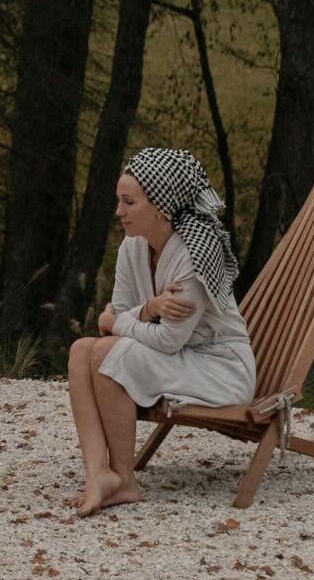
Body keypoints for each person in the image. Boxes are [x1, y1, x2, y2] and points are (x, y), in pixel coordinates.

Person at [68, 147, 256, 517]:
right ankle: (98, 473)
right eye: (119, 201)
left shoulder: (194, 255)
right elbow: (122, 313)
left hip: (219, 369)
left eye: (129, 202)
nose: (119, 211)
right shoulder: (132, 246)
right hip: (178, 355)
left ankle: (124, 479)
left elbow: (163, 339)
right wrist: (148, 309)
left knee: (105, 351)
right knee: (80, 350)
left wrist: (116, 323)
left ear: (161, 206)